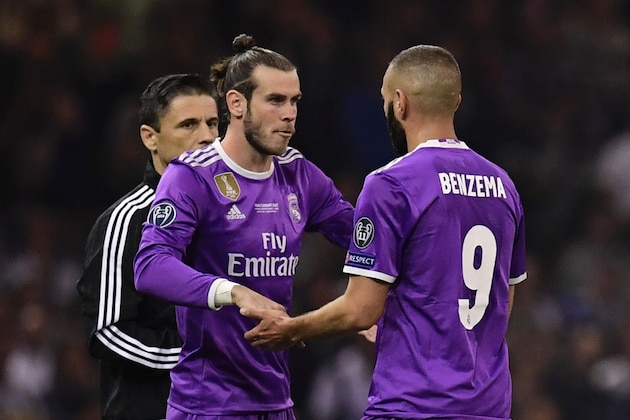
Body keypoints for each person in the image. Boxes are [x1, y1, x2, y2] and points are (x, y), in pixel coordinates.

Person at [242, 44, 528, 419]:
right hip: (488, 407)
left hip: (414, 403)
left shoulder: (393, 183)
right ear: (455, 102)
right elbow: (501, 304)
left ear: (399, 102)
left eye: (384, 100)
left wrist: (292, 329)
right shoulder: (502, 185)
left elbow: (360, 310)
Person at [133, 34, 354, 419]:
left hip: (278, 402)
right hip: (208, 405)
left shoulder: (298, 174)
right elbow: (150, 267)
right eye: (275, 100)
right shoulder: (192, 177)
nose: (289, 114)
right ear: (236, 103)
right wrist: (233, 291)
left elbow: (363, 239)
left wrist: (373, 302)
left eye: (294, 101)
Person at [76, 73, 220, 419]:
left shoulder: (233, 216)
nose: (206, 137)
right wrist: (197, 355)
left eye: (213, 123)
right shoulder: (127, 220)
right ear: (150, 138)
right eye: (188, 124)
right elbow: (109, 333)